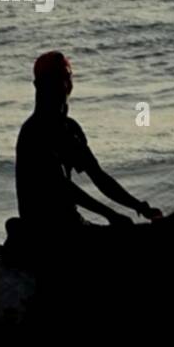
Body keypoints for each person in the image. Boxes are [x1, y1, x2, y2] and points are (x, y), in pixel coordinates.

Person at [15, 52, 162, 240]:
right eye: (55, 80)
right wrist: (110, 214)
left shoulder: (70, 129)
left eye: (66, 78)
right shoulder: (34, 132)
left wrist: (139, 207)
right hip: (44, 231)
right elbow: (60, 187)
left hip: (73, 223)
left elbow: (99, 177)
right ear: (38, 86)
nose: (63, 85)